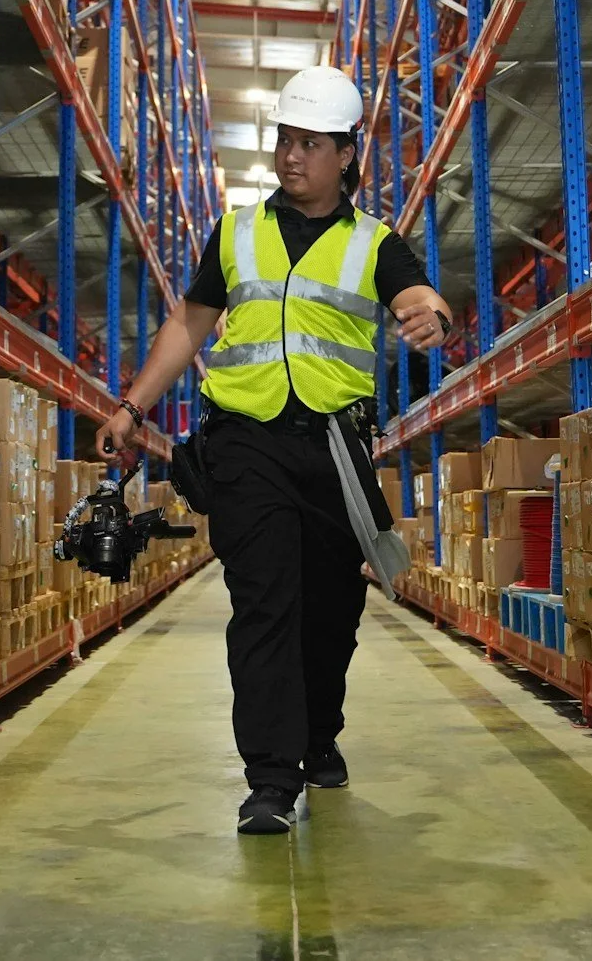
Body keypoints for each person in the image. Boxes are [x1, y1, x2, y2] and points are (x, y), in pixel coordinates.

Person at [98, 65, 455, 835]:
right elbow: (188, 325)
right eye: (285, 140)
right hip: (246, 444)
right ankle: (269, 779)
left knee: (332, 611)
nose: (291, 156)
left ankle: (318, 731)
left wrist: (430, 314)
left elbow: (416, 295)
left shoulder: (374, 243)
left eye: (309, 143)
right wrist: (132, 405)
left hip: (333, 450)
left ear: (345, 154)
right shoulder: (234, 233)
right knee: (263, 605)